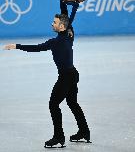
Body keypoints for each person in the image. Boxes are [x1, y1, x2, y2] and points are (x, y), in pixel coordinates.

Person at [4, 13, 91, 148]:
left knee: (53, 105)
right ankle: (84, 132)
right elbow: (68, 18)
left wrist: (16, 46)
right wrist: (65, 2)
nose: (52, 24)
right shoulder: (70, 34)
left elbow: (36, 48)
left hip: (65, 77)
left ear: (62, 26)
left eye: (55, 22)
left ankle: (59, 137)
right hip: (73, 74)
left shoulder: (55, 42)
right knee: (72, 103)